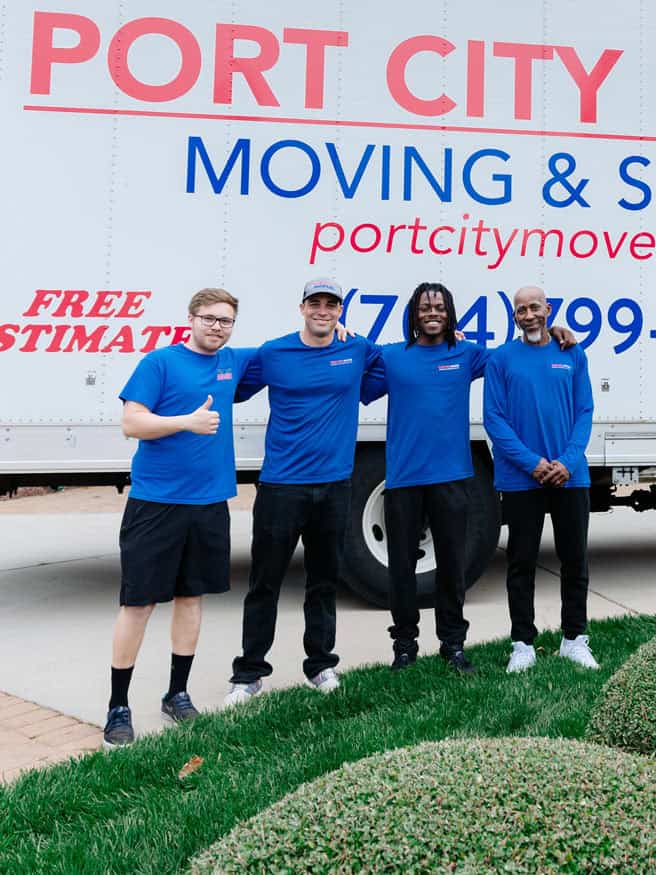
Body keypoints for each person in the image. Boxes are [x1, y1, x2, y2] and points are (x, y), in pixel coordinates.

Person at [103, 288, 253, 747]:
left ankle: (177, 693)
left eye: (225, 321)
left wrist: (338, 331)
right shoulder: (159, 363)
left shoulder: (234, 362)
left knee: (191, 598)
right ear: (190, 318)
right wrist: (185, 421)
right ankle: (118, 706)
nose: (216, 327)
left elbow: (297, 348)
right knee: (139, 604)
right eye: (209, 318)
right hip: (156, 503)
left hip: (209, 504)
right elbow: (132, 423)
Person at [224, 278, 381, 705]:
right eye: (316, 302)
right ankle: (249, 673)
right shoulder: (274, 353)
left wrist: (454, 340)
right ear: (302, 307)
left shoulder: (357, 350)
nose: (323, 310)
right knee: (265, 582)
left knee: (323, 581)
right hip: (281, 486)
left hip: (334, 486)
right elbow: (227, 380)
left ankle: (321, 665)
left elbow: (403, 364)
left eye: (332, 304)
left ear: (340, 311)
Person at [361, 282, 486, 674]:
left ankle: (452, 644)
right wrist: (345, 340)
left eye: (440, 307)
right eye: (425, 307)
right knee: (401, 567)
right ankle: (404, 645)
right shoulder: (393, 357)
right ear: (413, 314)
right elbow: (358, 386)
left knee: (452, 565)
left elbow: (515, 358)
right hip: (403, 479)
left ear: (450, 313)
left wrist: (555, 336)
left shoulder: (466, 354)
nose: (433, 313)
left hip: (452, 477)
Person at [483, 285, 598, 673]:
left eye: (535, 307)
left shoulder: (571, 352)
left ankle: (574, 639)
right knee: (521, 562)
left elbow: (585, 411)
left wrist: (567, 462)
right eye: (520, 310)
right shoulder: (501, 359)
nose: (528, 315)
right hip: (522, 480)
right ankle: (522, 643)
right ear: (513, 316)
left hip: (572, 478)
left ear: (548, 309)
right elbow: (494, 420)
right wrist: (532, 464)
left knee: (575, 560)